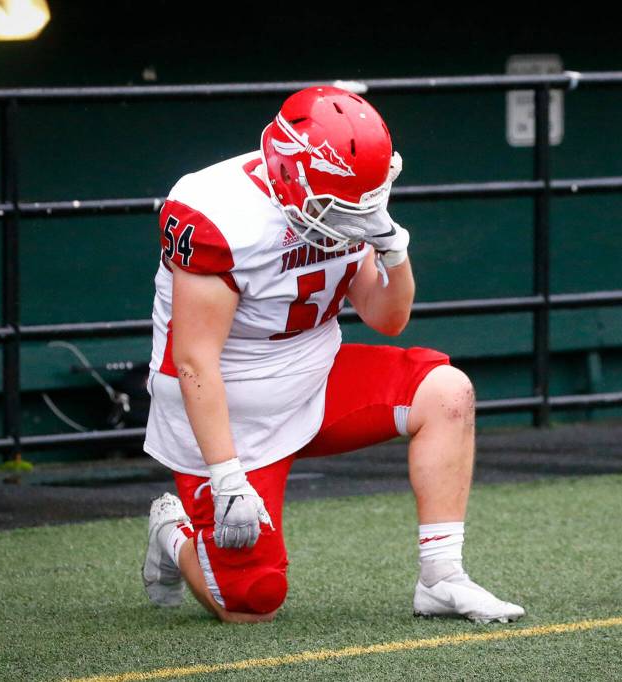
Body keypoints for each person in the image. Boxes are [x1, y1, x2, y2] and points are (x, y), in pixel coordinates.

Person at [140, 86, 524, 624]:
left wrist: (393, 247)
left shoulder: (339, 190)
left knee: (447, 392)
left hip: (314, 377)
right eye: (338, 206)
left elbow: (386, 317)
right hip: (229, 408)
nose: (352, 215)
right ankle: (173, 527)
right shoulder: (218, 214)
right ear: (292, 177)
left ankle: (442, 577)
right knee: (252, 602)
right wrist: (227, 478)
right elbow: (194, 360)